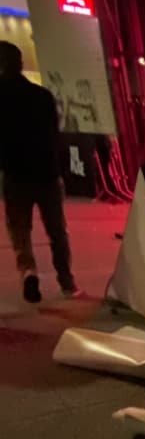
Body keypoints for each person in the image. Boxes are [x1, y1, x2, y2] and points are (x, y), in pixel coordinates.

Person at [0, 41, 79, 303]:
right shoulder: (42, 96)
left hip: (15, 175)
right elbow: (55, 134)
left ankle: (29, 272)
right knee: (57, 230)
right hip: (46, 172)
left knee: (20, 231)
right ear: (20, 63)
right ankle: (66, 281)